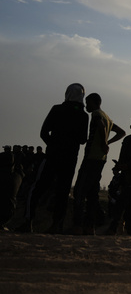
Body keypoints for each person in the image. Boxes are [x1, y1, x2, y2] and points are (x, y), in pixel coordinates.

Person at [24, 84, 90, 233]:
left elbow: (43, 132)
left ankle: (28, 222)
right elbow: (82, 139)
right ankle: (56, 225)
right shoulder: (83, 115)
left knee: (38, 188)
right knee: (63, 191)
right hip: (70, 158)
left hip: (52, 156)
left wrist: (53, 146)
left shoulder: (57, 109)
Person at [70, 93, 125, 235]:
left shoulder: (96, 114)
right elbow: (121, 132)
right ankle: (90, 227)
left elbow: (100, 125)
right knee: (93, 193)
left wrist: (104, 143)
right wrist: (108, 143)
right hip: (101, 159)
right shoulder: (108, 117)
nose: (87, 106)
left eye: (88, 103)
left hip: (91, 157)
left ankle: (77, 226)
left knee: (79, 191)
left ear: (94, 103)